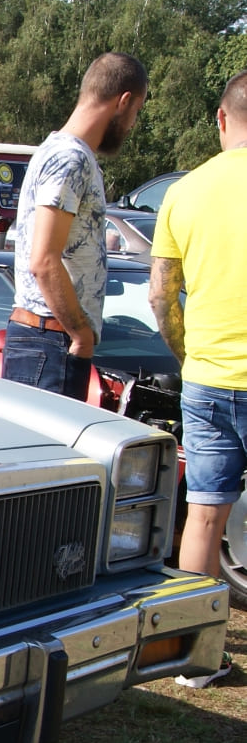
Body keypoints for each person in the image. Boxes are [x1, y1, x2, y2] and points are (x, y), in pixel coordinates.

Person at [2, 52, 149, 400]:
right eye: (136, 112)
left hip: (48, 340)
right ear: (123, 100)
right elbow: (44, 260)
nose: (132, 124)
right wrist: (81, 335)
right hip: (50, 341)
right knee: (47, 454)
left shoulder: (63, 153)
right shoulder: (70, 158)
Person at [150, 70, 247, 579]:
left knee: (204, 515)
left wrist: (190, 356)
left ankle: (199, 654)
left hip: (208, 378)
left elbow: (161, 296)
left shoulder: (184, 191)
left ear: (221, 118)